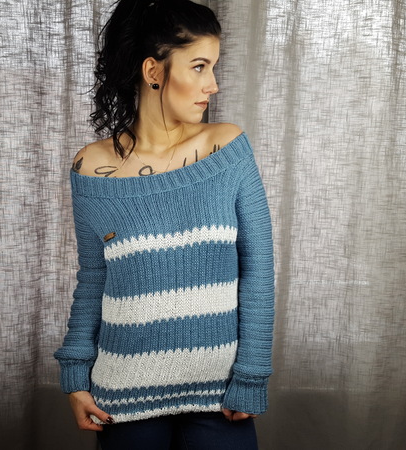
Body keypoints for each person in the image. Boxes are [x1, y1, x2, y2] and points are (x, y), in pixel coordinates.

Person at [54, 0, 275, 448]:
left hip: (220, 396)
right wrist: (75, 375)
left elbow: (257, 268)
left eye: (213, 67)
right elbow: (93, 278)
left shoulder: (228, 148)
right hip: (121, 395)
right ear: (153, 71)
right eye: (199, 66)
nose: (212, 84)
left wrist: (252, 374)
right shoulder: (91, 167)